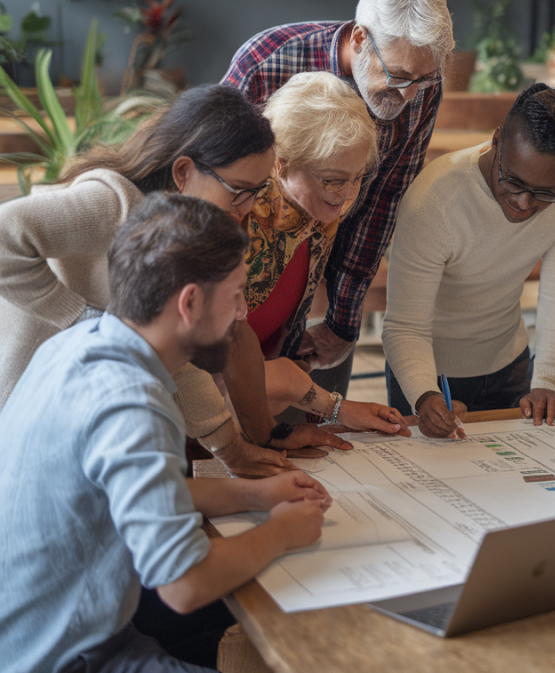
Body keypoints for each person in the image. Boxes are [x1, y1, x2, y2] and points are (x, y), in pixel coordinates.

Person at [0, 194, 331, 672]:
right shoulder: (132, 400)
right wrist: (281, 531)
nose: (242, 313)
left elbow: (134, 490)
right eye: (236, 294)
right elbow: (185, 584)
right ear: (190, 302)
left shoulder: (79, 344)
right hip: (67, 657)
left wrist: (253, 494)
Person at [0, 85, 348, 476]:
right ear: (184, 172)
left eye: (257, 191)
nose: (249, 207)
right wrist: (82, 318)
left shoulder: (182, 233)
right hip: (27, 404)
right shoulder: (112, 202)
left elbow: (179, 363)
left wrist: (231, 450)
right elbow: (4, 233)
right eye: (239, 191)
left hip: (79, 401)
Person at [222, 0, 455, 399]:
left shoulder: (420, 86)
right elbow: (212, 190)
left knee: (314, 421)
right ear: (360, 38)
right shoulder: (267, 62)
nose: (408, 97)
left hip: (326, 272)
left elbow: (382, 203)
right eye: (399, 76)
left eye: (424, 81)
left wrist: (344, 321)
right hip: (238, 278)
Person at [382, 84, 555, 438]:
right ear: (497, 141)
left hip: (510, 364)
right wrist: (424, 395)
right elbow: (405, 326)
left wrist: (546, 381)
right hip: (426, 373)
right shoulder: (434, 200)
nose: (524, 203)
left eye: (545, 193)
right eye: (512, 181)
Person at [215, 72, 410, 444]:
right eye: (334, 179)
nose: (348, 194)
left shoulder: (313, 213)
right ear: (282, 163)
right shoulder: (234, 220)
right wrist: (334, 405)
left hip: (257, 410)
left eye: (358, 177)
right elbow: (204, 377)